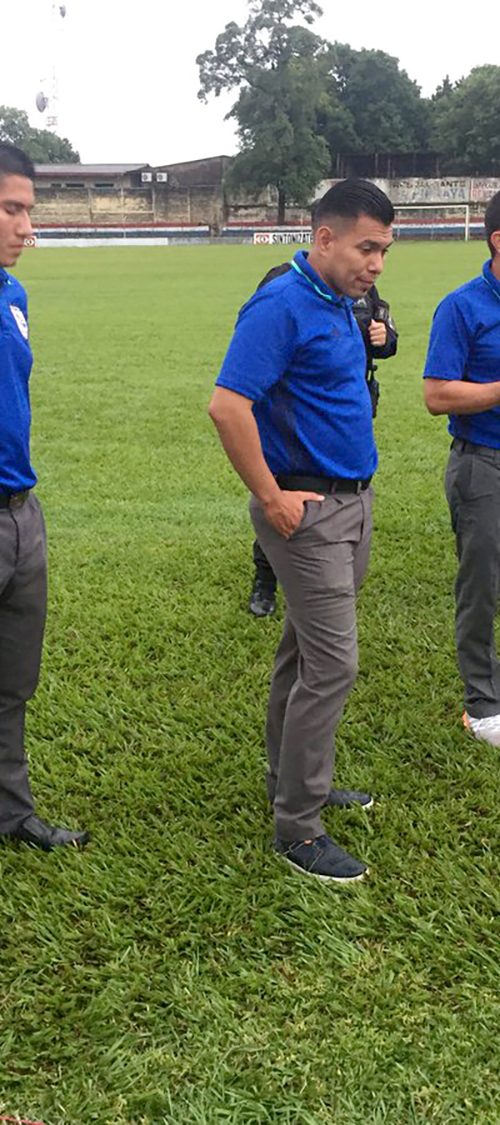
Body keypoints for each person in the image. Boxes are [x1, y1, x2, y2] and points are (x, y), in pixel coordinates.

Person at [209, 178, 394, 882]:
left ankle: (290, 778)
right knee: (333, 665)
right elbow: (228, 406)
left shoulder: (339, 303)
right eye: (366, 247)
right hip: (307, 512)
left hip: (351, 505)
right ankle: (299, 827)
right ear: (324, 237)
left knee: (302, 653)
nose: (376, 264)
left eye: (384, 251)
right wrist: (271, 498)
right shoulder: (282, 303)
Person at [0, 142, 89, 850]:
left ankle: (10, 812)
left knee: (12, 681)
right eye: (10, 209)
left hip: (20, 512)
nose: (27, 228)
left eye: (28, 210)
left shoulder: (13, 295)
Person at [249, 262, 398, 616]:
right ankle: (265, 579)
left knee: (338, 500)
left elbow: (384, 337)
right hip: (298, 420)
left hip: (347, 414)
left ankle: (324, 586)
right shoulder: (282, 286)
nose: (375, 264)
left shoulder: (362, 289)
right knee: (284, 498)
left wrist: (385, 338)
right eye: (365, 248)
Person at [423, 190, 500, 746]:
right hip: (483, 465)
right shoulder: (462, 307)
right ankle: (482, 703)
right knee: (481, 585)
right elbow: (438, 395)